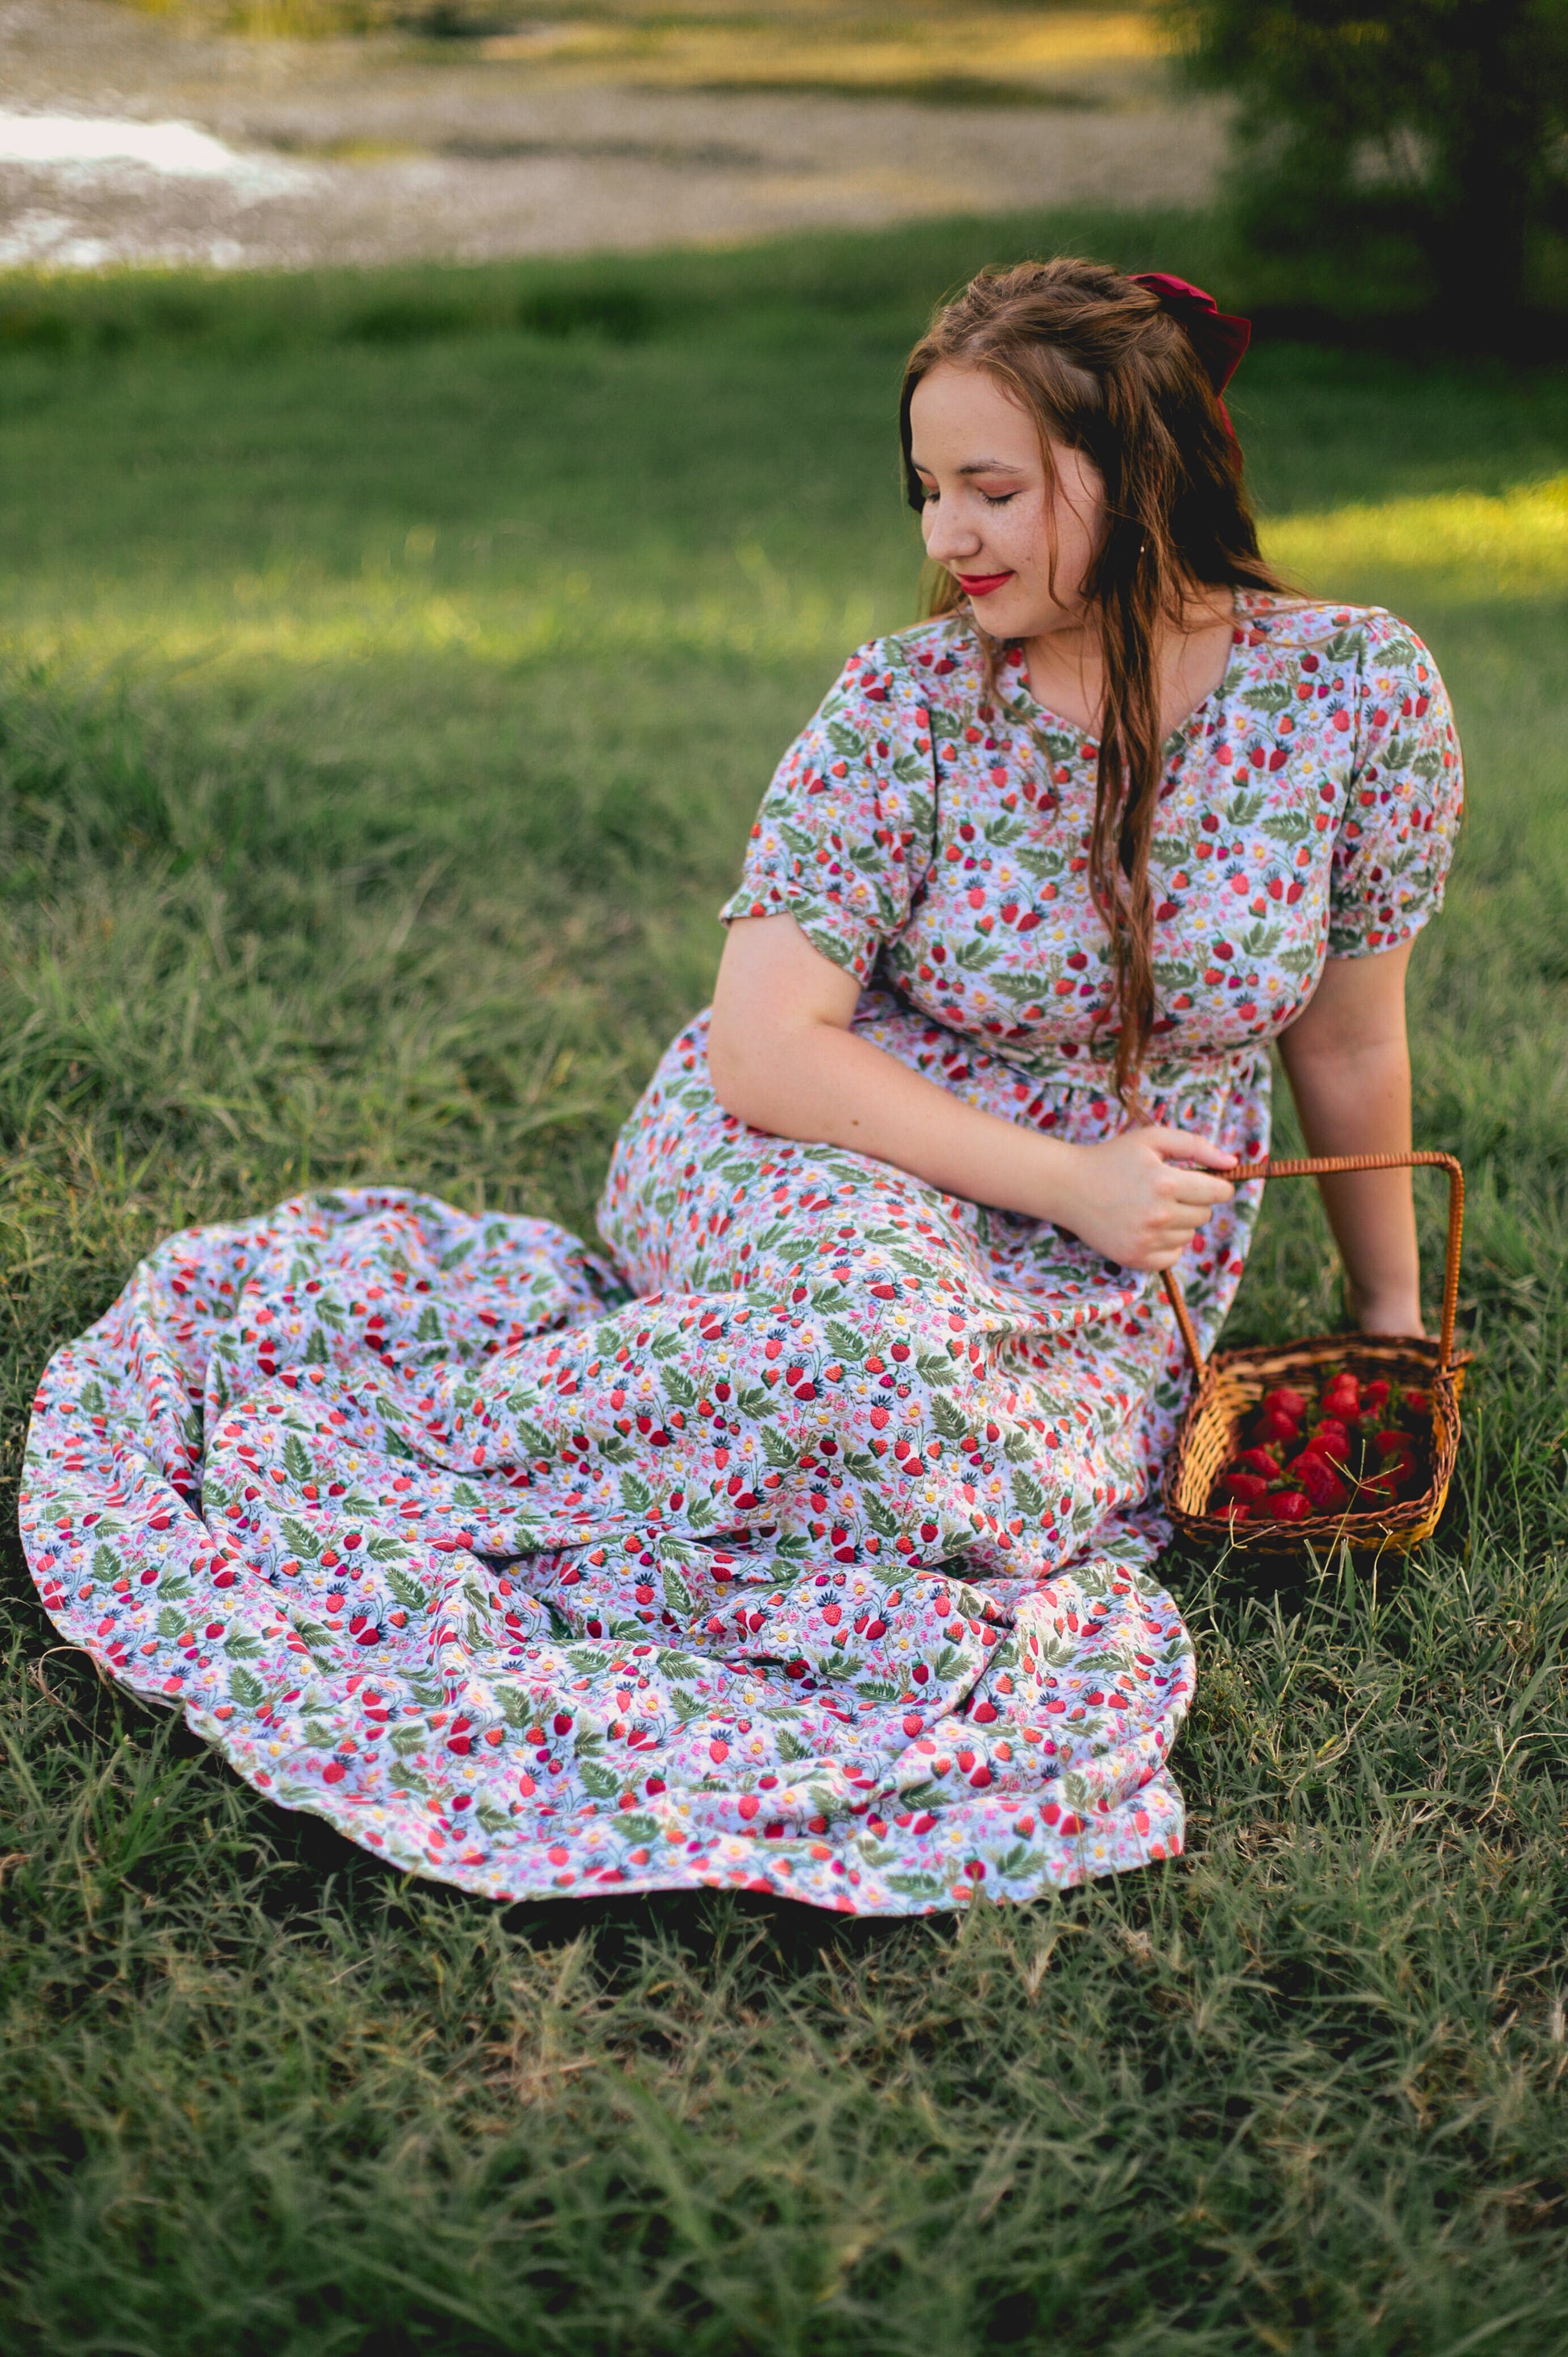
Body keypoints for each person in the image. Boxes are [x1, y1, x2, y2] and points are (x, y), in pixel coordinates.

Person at [19, 259, 1463, 1916]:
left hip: (1128, 1235)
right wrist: (1056, 1179)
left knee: (986, 1482)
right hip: (825, 1139)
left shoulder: (1357, 695)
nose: (946, 535)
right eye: (927, 489)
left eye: (991, 487)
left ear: (1138, 472)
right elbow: (766, 1049)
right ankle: (384, 1460)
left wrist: (1384, 1313)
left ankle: (717, 1421)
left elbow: (1346, 1039)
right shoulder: (901, 709)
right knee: (868, 1345)